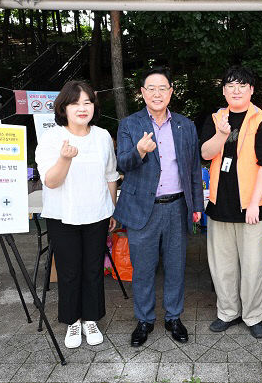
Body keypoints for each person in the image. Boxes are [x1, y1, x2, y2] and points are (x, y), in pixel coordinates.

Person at [114, 67, 204, 347]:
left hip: (177, 207)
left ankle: (174, 317)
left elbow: (193, 168)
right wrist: (140, 150)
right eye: (150, 88)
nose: (156, 93)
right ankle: (144, 319)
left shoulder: (185, 125)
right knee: (143, 268)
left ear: (171, 92)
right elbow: (122, 164)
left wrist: (197, 205)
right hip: (144, 208)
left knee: (176, 266)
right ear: (141, 93)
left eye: (162, 88)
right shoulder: (130, 124)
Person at [35, 80, 119, 349]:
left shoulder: (103, 136)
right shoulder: (51, 139)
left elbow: (110, 176)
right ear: (64, 108)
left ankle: (90, 319)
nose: (82, 108)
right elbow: (51, 181)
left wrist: (112, 208)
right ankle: (72, 322)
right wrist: (65, 159)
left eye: (88, 102)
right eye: (75, 103)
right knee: (70, 271)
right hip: (63, 216)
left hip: (97, 213)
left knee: (93, 270)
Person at [201, 66, 262, 339]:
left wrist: (255, 202)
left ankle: (253, 315)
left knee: (253, 265)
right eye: (230, 85)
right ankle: (227, 312)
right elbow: (205, 153)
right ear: (223, 90)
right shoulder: (215, 118)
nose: (236, 90)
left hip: (254, 207)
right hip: (219, 205)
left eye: (242, 85)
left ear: (251, 90)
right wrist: (221, 133)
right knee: (222, 265)